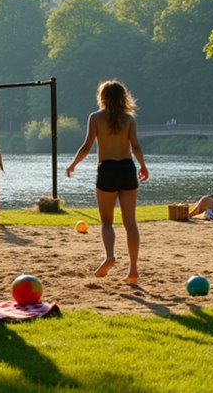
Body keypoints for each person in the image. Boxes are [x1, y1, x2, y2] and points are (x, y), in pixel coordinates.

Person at [65, 80, 148, 283]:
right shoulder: (129, 119)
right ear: (123, 97)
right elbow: (135, 146)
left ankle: (110, 256)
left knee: (106, 221)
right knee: (130, 223)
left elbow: (86, 146)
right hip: (127, 168)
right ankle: (133, 269)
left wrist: (73, 165)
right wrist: (143, 166)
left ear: (102, 97)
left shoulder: (95, 118)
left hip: (107, 169)